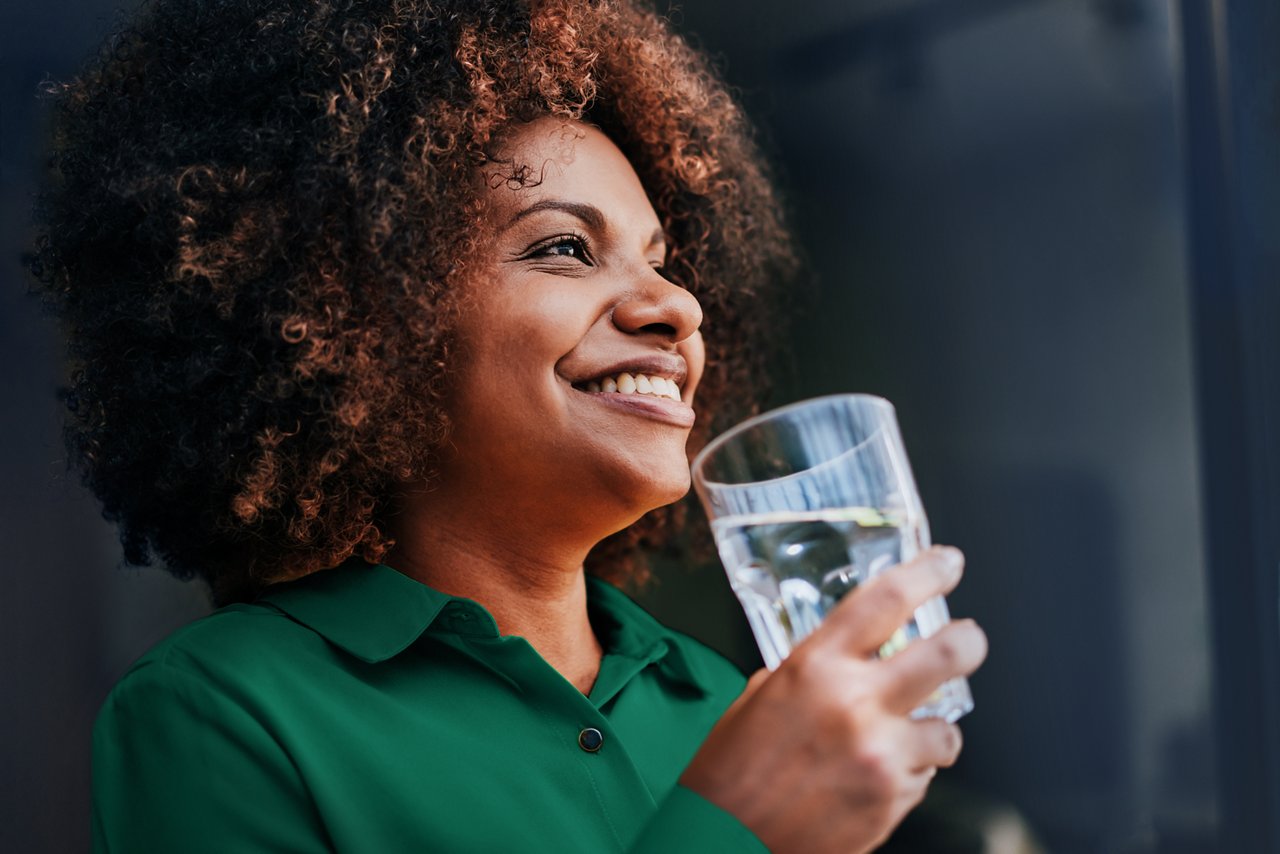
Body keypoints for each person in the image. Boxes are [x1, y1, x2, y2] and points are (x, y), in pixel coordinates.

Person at [31, 0, 987, 851]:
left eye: (663, 260)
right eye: (567, 248)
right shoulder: (217, 713)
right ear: (359, 318)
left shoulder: (721, 696)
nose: (676, 307)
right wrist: (734, 823)